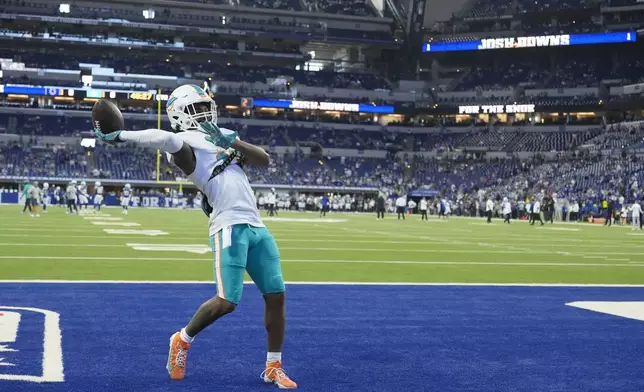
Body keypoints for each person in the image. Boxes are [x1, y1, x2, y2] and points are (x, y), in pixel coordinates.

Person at [93, 84, 297, 389]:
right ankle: (182, 339)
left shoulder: (222, 134)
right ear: (179, 115)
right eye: (196, 110)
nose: (204, 114)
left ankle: (273, 365)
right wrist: (120, 135)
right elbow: (164, 138)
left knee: (277, 296)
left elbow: (263, 159)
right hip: (228, 225)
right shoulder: (185, 145)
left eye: (205, 108)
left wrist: (232, 141)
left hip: (256, 224)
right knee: (227, 301)